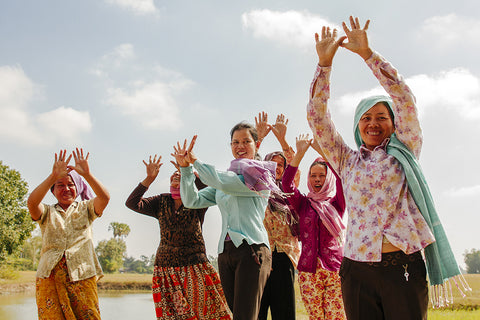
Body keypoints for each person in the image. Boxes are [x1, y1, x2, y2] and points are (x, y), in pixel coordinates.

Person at [307, 16, 469, 319]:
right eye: (365, 118)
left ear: (394, 124)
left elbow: (403, 97)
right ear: (357, 126)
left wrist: (368, 55)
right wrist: (324, 65)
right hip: (356, 270)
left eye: (381, 116)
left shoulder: (404, 151)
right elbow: (317, 118)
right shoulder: (346, 161)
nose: (373, 123)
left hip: (402, 268)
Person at [172, 124, 274, 320]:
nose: (240, 146)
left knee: (245, 316)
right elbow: (192, 200)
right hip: (226, 252)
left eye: (246, 141)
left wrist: (194, 160)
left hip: (252, 249)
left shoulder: (261, 175)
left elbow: (221, 181)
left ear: (257, 144)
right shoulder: (227, 179)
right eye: (235, 142)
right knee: (237, 314)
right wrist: (185, 170)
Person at [125, 155, 232, 320]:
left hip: (195, 267)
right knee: (176, 315)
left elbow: (209, 185)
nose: (176, 175)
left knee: (205, 312)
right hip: (167, 271)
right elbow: (132, 203)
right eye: (174, 174)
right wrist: (149, 178)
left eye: (180, 174)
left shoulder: (198, 201)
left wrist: (188, 170)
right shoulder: (161, 201)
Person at [27, 148, 110, 320]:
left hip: (82, 275)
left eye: (70, 184)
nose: (66, 189)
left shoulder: (86, 208)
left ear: (77, 188)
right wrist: (52, 176)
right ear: (53, 190)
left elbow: (105, 198)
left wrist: (87, 174)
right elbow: (32, 202)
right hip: (49, 277)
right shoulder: (47, 212)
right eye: (60, 185)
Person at [282, 134, 346, 319]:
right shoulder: (303, 203)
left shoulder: (337, 204)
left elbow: (342, 179)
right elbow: (286, 184)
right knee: (316, 317)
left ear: (328, 179)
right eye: (313, 175)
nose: (317, 179)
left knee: (337, 317)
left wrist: (324, 153)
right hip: (308, 272)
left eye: (322, 176)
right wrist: (299, 154)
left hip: (335, 269)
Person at [255, 112, 300, 320]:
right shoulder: (256, 187)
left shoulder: (289, 191)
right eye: (272, 164)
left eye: (281, 165)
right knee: (258, 311)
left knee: (285, 313)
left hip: (285, 256)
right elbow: (248, 164)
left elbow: (295, 166)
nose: (277, 168)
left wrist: (282, 139)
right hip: (259, 256)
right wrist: (259, 138)